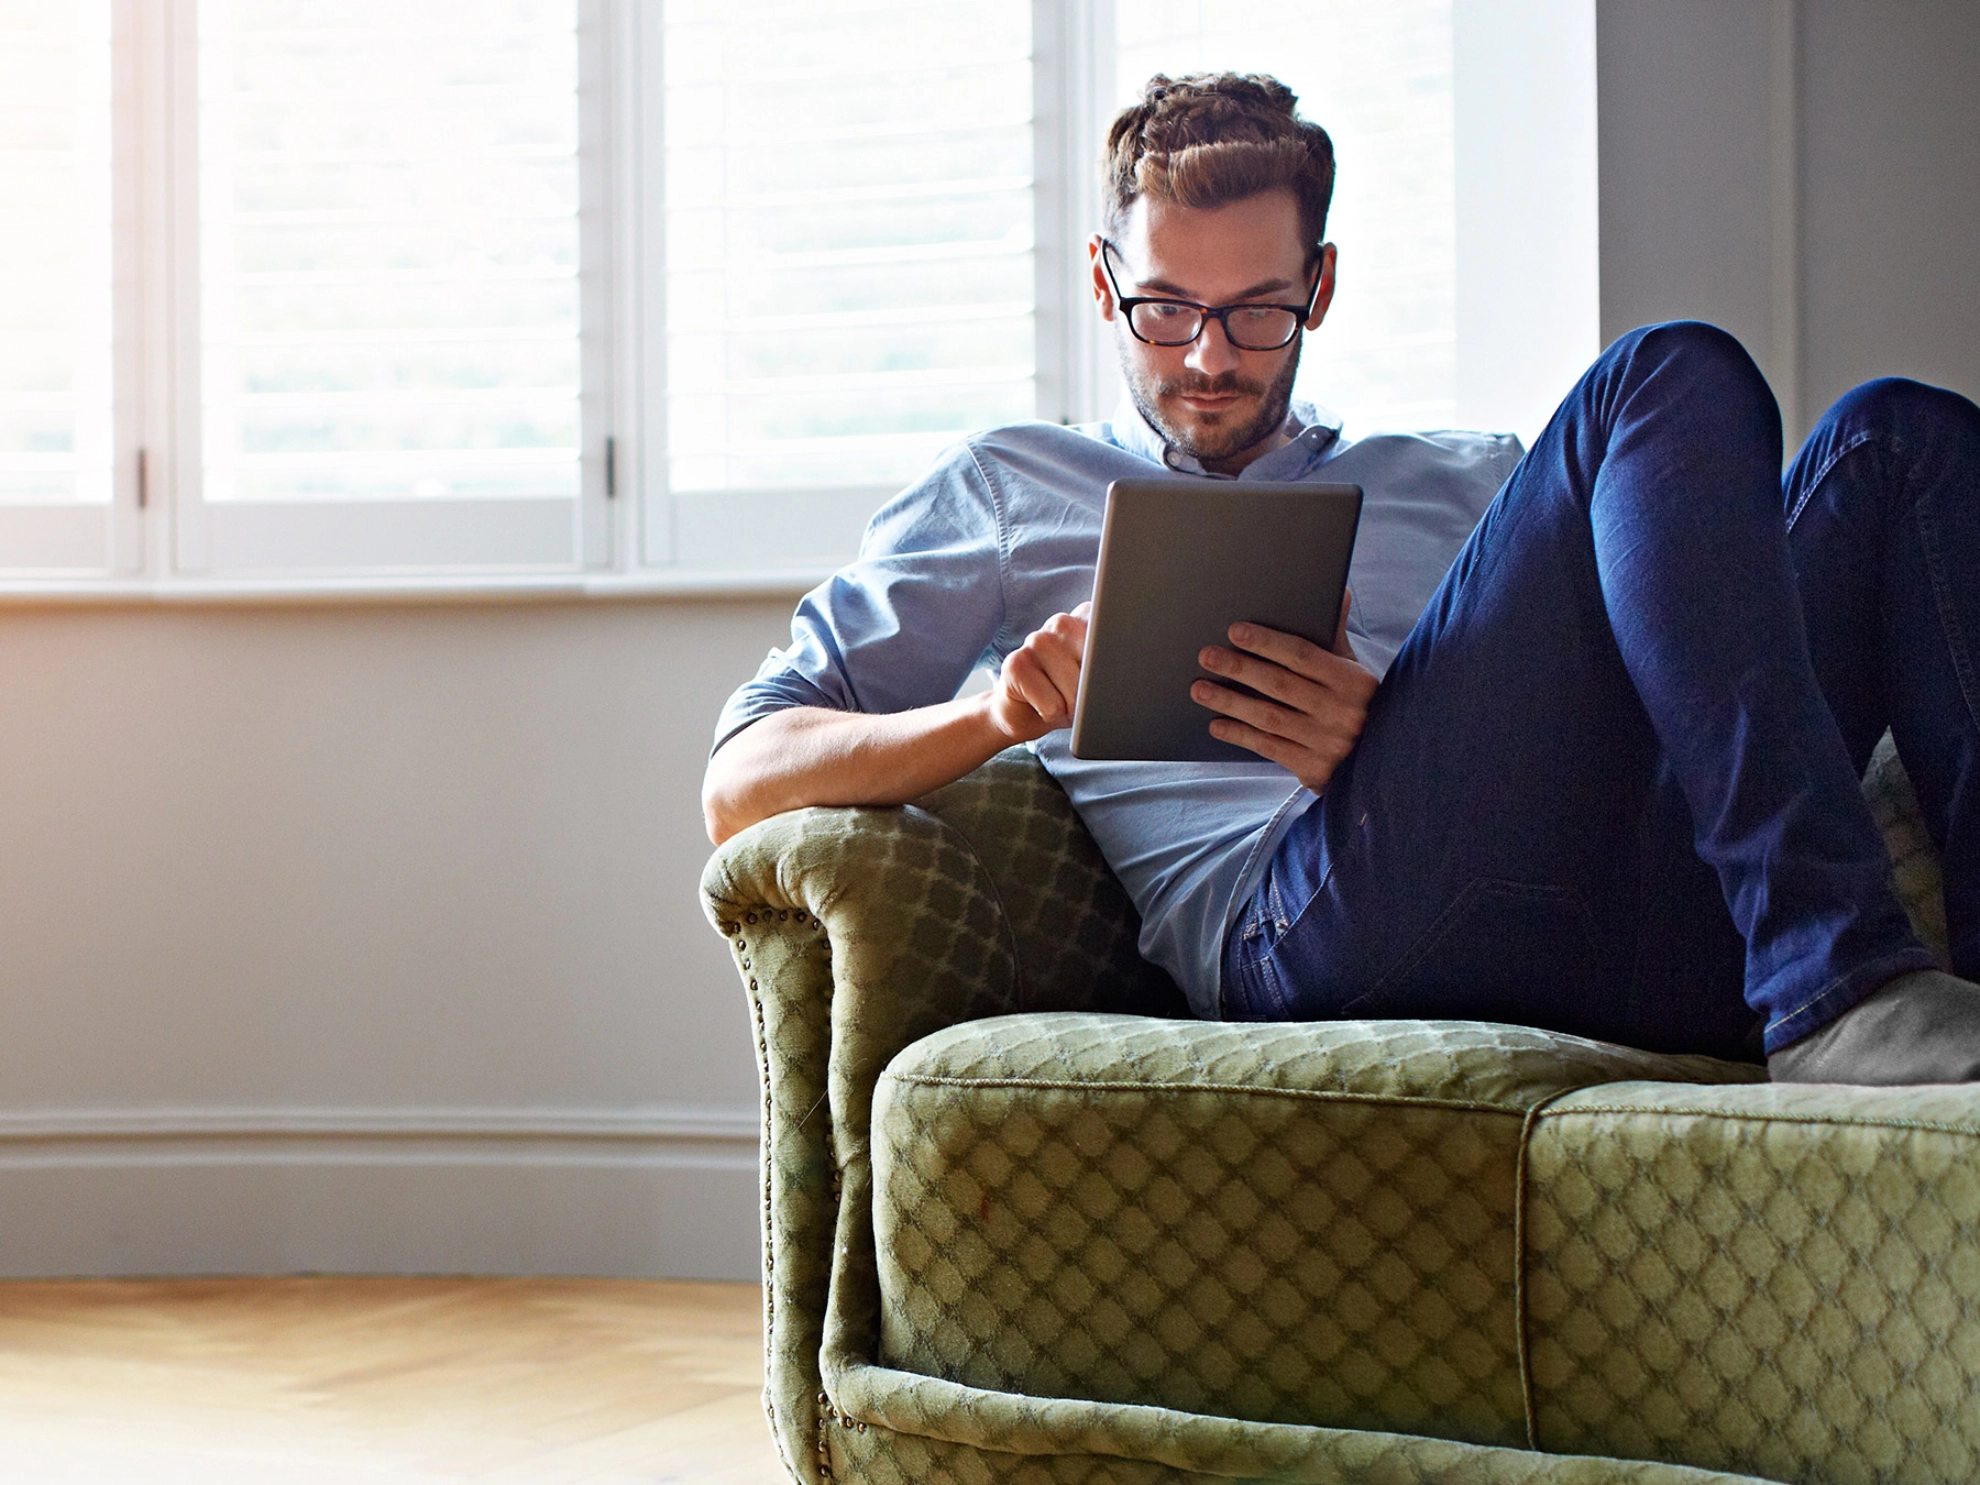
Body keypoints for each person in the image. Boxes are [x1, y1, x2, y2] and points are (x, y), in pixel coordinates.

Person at [703, 72, 1980, 1086]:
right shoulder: (1006, 486)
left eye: (1257, 310)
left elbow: (1695, 689)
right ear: (1104, 286)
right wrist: (993, 717)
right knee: (1664, 370)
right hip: (1306, 931)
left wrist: (1405, 734)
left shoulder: (1469, 478)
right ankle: (1841, 986)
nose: (1208, 357)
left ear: (1319, 287)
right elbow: (740, 779)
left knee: (1898, 444)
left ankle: (1896, 987)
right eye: (1164, 309)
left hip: (1624, 915)